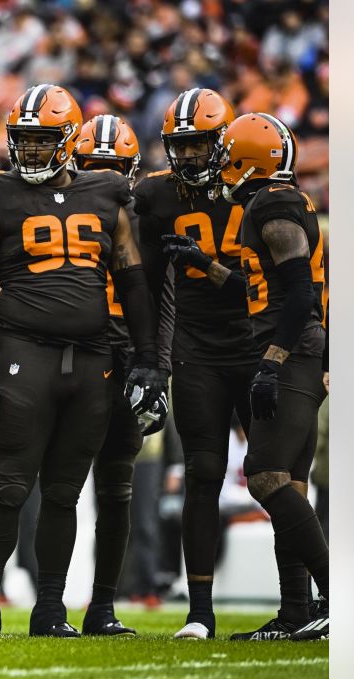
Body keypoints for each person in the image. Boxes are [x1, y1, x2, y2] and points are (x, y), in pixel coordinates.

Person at [0, 84, 166, 638]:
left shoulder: (106, 194)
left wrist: (149, 359)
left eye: (41, 139)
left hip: (94, 356)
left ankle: (51, 608)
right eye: (22, 139)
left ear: (68, 140)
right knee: (10, 484)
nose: (28, 150)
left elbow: (134, 283)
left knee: (65, 492)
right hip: (26, 351)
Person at [133, 88, 265, 640]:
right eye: (179, 146)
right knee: (203, 474)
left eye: (199, 145)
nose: (186, 157)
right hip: (197, 349)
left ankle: (303, 605)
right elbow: (143, 282)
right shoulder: (157, 197)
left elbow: (277, 285)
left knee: (276, 477)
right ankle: (200, 612)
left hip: (257, 343)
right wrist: (151, 361)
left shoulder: (259, 191)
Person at [218, 112, 329, 641]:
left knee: (263, 473)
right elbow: (272, 284)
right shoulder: (280, 201)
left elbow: (300, 294)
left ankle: (334, 595)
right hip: (303, 353)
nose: (222, 164)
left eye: (228, 154)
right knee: (291, 482)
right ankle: (296, 612)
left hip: (291, 353)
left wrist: (272, 362)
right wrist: (207, 266)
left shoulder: (274, 203)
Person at [70, 113, 172, 635]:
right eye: (93, 167)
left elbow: (163, 300)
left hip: (129, 353)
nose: (104, 178)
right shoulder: (58, 208)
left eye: (113, 169)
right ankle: (45, 604)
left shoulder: (149, 216)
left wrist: (157, 364)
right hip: (73, 350)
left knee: (117, 486)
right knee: (55, 484)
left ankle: (102, 606)